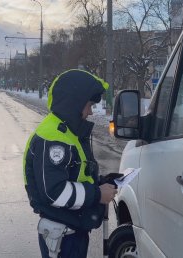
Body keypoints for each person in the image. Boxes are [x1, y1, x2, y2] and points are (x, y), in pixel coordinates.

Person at [23, 69, 118, 258]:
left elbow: (74, 173)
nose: (91, 112)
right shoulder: (53, 138)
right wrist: (97, 194)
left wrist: (100, 182)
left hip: (71, 228)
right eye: (89, 105)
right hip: (62, 236)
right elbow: (54, 192)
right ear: (74, 103)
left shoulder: (67, 132)